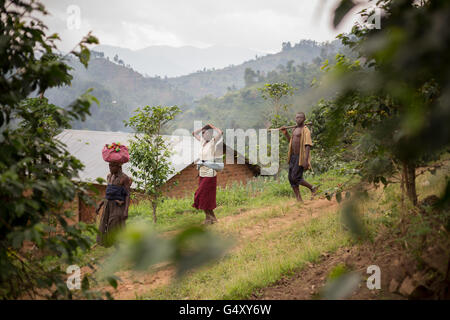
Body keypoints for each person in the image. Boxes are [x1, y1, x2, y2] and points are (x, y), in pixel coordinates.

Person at [280, 112, 318, 202]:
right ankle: (299, 199)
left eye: (300, 117)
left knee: (296, 177)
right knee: (291, 178)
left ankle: (313, 188)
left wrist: (305, 160)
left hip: (300, 157)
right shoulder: (294, 129)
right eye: (297, 117)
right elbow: (291, 142)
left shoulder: (305, 130)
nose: (298, 119)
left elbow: (308, 145)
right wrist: (285, 133)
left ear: (304, 119)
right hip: (293, 156)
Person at [192, 123, 223, 224]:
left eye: (208, 133)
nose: (206, 135)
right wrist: (203, 128)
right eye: (204, 133)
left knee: (199, 194)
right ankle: (210, 218)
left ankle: (211, 218)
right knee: (204, 197)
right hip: (202, 173)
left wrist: (213, 127)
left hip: (210, 174)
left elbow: (221, 132)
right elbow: (193, 133)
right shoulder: (202, 141)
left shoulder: (212, 142)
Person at [96, 161, 132, 246]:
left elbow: (127, 195)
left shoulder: (124, 178)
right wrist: (100, 204)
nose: (110, 168)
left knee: (114, 225)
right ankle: (108, 243)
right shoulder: (109, 176)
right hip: (107, 205)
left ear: (119, 167)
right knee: (104, 224)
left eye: (112, 166)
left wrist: (126, 210)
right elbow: (108, 193)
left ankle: (119, 246)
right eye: (109, 166)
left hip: (118, 205)